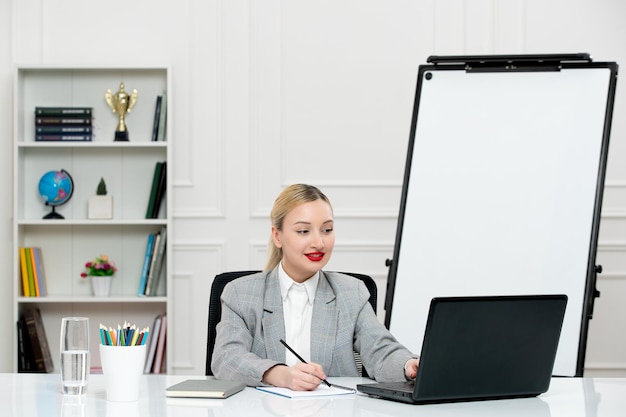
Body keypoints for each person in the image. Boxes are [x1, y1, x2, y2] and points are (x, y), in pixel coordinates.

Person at [211, 184, 419, 390]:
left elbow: (380, 350)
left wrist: (408, 365)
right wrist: (280, 375)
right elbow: (227, 357)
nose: (319, 242)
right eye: (303, 231)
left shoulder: (352, 293)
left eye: (327, 230)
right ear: (277, 236)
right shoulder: (240, 293)